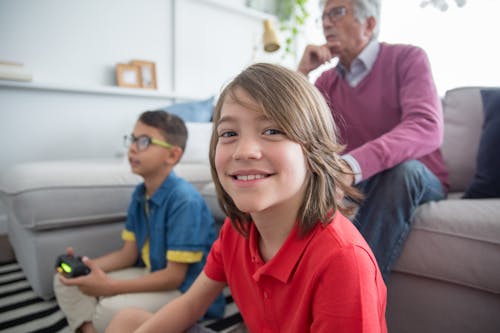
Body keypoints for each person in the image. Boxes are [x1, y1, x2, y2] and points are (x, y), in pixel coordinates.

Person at [105, 63, 387, 333]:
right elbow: (190, 304)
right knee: (126, 322)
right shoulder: (236, 230)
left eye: (272, 131)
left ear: (314, 152)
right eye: (229, 133)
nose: (244, 151)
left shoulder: (345, 261)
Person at [297, 0, 449, 281]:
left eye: (337, 12)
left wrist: (351, 166)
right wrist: (302, 73)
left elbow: (426, 126)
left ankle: (354, 293)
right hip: (358, 182)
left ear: (369, 24)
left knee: (402, 171)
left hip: (417, 178)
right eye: (323, 16)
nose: (326, 23)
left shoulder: (408, 58)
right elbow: (295, 133)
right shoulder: (326, 82)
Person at [53, 110, 224, 333]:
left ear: (172, 156)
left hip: (183, 290)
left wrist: (110, 287)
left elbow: (174, 277)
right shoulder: (140, 194)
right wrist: (87, 267)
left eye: (144, 141)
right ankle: (89, 329)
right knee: (65, 278)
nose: (132, 148)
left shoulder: (185, 200)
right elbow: (128, 254)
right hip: (151, 272)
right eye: (133, 139)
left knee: (108, 310)